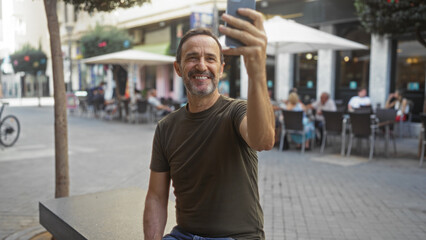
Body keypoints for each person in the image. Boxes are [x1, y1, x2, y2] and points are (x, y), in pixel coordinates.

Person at [143, 9, 275, 240]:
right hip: (183, 235)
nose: (202, 66)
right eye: (192, 57)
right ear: (178, 68)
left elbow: (263, 140)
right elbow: (156, 196)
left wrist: (257, 72)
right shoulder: (166, 127)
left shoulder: (237, 111)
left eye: (211, 58)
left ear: (221, 69)